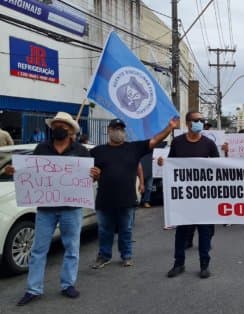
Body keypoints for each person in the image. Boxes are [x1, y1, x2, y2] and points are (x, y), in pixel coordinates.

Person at [5, 112, 100, 306]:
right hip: (46, 209)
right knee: (39, 250)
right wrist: (15, 171)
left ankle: (68, 285)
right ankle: (33, 289)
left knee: (71, 248)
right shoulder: (42, 148)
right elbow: (30, 172)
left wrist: (95, 174)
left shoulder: (81, 151)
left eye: (63, 125)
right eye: (56, 124)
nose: (59, 128)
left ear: (70, 130)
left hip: (71, 208)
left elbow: (90, 178)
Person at [91, 117, 178, 269]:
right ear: (109, 131)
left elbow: (154, 141)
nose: (119, 131)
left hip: (126, 200)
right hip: (104, 200)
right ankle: (104, 256)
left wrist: (169, 128)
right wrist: (94, 174)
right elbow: (87, 173)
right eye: (115, 128)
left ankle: (126, 256)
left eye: (121, 129)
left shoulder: (133, 148)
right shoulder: (97, 151)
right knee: (105, 231)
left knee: (126, 230)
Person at [166, 111, 219, 279]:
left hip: (203, 196)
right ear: (188, 123)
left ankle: (204, 265)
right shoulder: (178, 142)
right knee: (181, 232)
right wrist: (163, 163)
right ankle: (178, 264)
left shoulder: (209, 144)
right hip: (184, 197)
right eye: (197, 120)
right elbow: (171, 164)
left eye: (202, 120)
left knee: (204, 232)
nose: (200, 122)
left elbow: (219, 167)